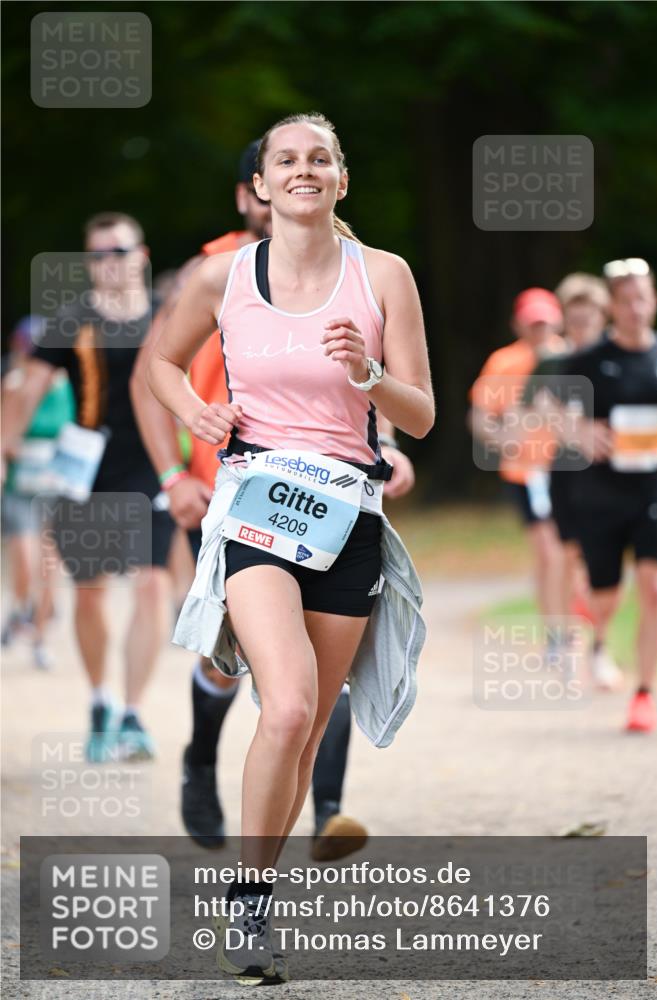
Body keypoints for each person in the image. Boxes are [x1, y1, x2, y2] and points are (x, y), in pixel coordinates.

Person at [147, 112, 433, 983]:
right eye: (285, 159)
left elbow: (422, 414)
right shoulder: (223, 275)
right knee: (287, 707)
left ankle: (256, 897)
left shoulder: (383, 274)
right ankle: (246, 908)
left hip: (348, 516)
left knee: (304, 735)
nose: (302, 170)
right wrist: (195, 413)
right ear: (261, 185)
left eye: (319, 159)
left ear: (340, 179)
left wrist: (369, 376)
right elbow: (159, 363)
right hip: (256, 508)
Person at [0, 213, 175, 761]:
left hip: (153, 464)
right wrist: (3, 448)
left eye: (117, 252)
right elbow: (28, 389)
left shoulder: (168, 317)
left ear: (140, 257)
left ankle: (133, 715)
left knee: (152, 584)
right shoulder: (71, 319)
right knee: (91, 591)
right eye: (97, 255)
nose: (107, 263)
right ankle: (101, 699)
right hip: (89, 468)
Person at [560, 258, 657, 732]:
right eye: (625, 301)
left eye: (642, 298)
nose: (635, 308)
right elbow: (551, 411)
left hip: (656, 490)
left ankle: (643, 694)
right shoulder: (587, 362)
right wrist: (579, 431)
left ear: (654, 300)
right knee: (607, 597)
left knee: (655, 589)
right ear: (613, 307)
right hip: (601, 495)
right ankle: (594, 614)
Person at [522, 274, 623, 687]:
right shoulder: (552, 363)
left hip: (613, 474)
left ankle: (601, 645)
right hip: (564, 472)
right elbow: (532, 411)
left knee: (605, 561)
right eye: (575, 319)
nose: (582, 327)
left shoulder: (618, 360)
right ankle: (564, 640)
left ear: (603, 317)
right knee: (565, 556)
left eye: (590, 319)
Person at [470, 289, 565, 636]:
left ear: (557, 321)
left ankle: (569, 626)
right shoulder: (504, 362)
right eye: (533, 323)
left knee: (569, 555)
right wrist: (502, 440)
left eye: (545, 322)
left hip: (569, 472)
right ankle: (556, 633)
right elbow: (479, 417)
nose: (540, 329)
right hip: (526, 473)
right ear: (518, 324)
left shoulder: (571, 357)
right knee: (548, 551)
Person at [1, 315, 75, 668]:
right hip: (21, 484)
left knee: (49, 562)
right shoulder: (14, 384)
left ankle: (40, 635)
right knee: (24, 557)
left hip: (56, 485)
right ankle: (21, 608)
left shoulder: (68, 386)